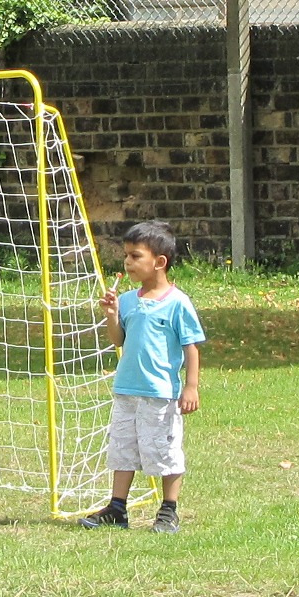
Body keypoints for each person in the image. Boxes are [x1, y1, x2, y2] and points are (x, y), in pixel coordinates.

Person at [80, 220, 205, 533]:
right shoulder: (127, 301)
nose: (127, 262)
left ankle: (168, 510)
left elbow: (191, 347)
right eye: (126, 256)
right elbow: (119, 340)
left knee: (163, 451)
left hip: (160, 394)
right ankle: (117, 508)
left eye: (135, 256)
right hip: (126, 390)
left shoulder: (178, 303)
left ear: (159, 262)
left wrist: (190, 387)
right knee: (122, 449)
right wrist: (111, 316)